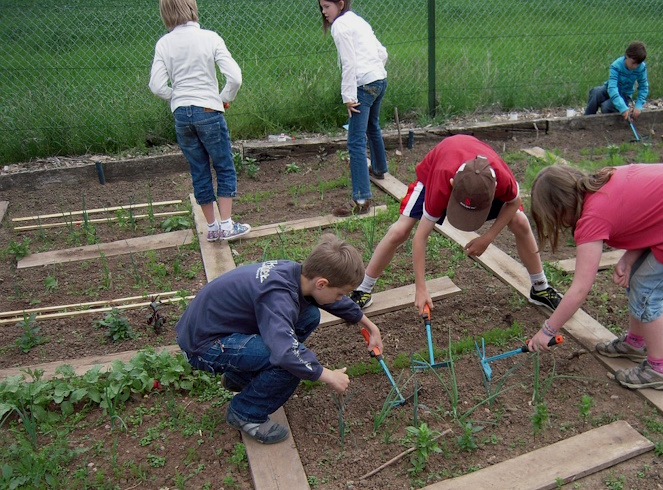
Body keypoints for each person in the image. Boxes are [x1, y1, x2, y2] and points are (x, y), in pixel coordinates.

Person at [526, 164, 663, 391]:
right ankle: (635, 344)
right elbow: (651, 214)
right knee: (638, 277)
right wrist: (630, 257)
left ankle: (658, 370)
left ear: (561, 208)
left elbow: (580, 288)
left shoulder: (593, 217)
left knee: (648, 291)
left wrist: (547, 331)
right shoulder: (605, 180)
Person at [175, 234, 384, 444]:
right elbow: (286, 353)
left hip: (215, 328)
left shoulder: (296, 274)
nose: (340, 298)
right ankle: (246, 413)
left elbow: (329, 301)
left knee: (309, 315)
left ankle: (239, 378)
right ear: (321, 283)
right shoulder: (278, 297)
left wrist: (370, 326)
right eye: (340, 294)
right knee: (290, 365)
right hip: (204, 346)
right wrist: (328, 375)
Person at [348, 134, 564, 314]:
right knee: (400, 230)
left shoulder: (502, 178)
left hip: (476, 179)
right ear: (452, 188)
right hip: (432, 176)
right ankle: (363, 289)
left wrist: (488, 237)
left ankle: (540, 287)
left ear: (493, 191)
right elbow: (420, 237)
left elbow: (514, 201)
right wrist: (421, 288)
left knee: (520, 222)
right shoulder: (441, 183)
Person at [149, 0, 250, 242]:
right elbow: (235, 77)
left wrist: (177, 97)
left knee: (199, 169)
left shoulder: (164, 44)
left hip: (182, 114)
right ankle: (227, 224)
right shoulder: (210, 38)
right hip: (208, 109)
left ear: (165, 13)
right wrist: (222, 99)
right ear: (192, 8)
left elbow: (156, 85)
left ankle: (213, 227)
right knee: (224, 165)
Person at [319, 0, 390, 217]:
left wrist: (348, 97)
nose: (324, 12)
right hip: (379, 79)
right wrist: (374, 71)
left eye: (327, 6)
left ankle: (361, 197)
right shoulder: (357, 20)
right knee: (372, 126)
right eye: (321, 7)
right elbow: (382, 52)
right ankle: (379, 168)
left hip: (363, 85)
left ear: (340, 4)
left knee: (355, 141)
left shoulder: (340, 26)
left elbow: (349, 63)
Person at [584, 41, 649, 122]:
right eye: (633, 63)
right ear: (626, 55)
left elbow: (643, 87)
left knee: (606, 106)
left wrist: (638, 105)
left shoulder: (641, 68)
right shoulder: (616, 66)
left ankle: (608, 124)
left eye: (638, 64)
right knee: (595, 93)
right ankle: (587, 120)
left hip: (625, 95)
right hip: (610, 89)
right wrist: (622, 107)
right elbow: (612, 88)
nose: (635, 66)